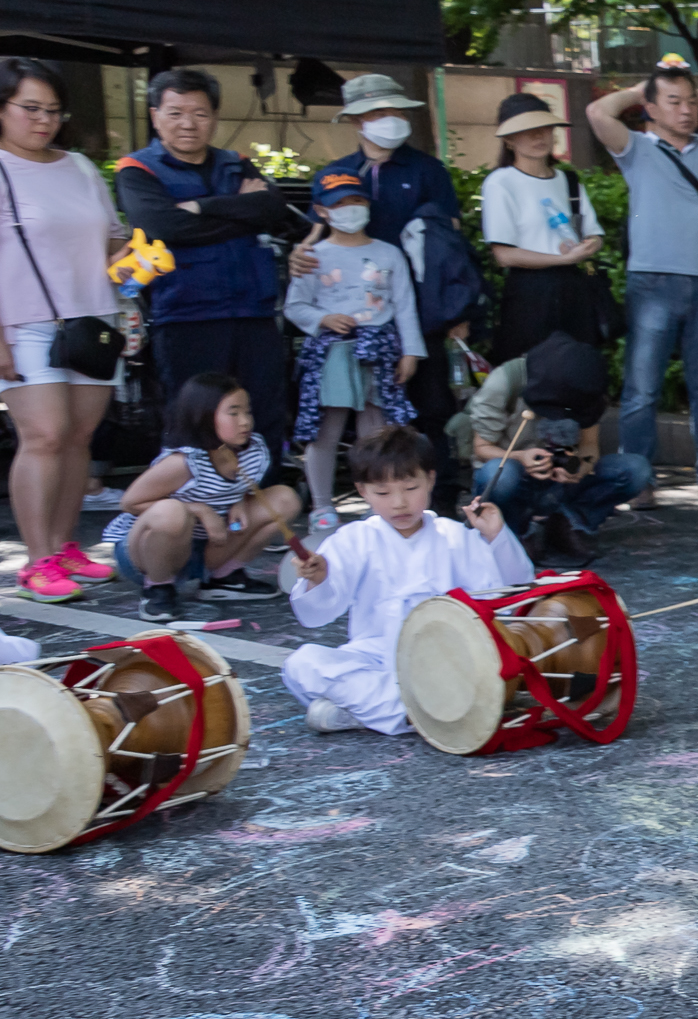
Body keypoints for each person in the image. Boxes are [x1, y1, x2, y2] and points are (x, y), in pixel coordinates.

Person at [282, 426, 534, 734]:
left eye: (410, 488)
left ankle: (375, 712)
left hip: (446, 659)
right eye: (383, 493)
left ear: (430, 479)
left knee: (484, 669)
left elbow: (506, 597)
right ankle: (415, 712)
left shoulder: (453, 536)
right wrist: (318, 579)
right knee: (301, 664)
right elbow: (318, 613)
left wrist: (494, 535)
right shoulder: (354, 539)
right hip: (375, 655)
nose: (399, 503)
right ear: (362, 490)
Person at [586, 59, 698, 507]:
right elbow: (597, 114)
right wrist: (640, 88)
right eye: (673, 102)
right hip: (651, 281)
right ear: (651, 108)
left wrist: (696, 92)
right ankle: (638, 478)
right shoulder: (636, 148)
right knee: (642, 389)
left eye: (690, 102)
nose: (685, 110)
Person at [113, 67, 304, 452]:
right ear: (155, 117)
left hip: (254, 312)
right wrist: (240, 211)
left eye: (200, 113)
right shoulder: (136, 169)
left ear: (214, 117)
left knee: (262, 415)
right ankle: (197, 507)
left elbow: (271, 208)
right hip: (186, 314)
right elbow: (163, 225)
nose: (188, 124)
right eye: (175, 113)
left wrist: (201, 207)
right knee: (194, 420)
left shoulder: (234, 161)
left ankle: (260, 504)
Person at [0, 57, 127, 602]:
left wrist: (137, 262)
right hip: (23, 321)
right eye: (29, 108)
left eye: (53, 110)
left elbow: (111, 240)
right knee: (45, 435)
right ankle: (36, 560)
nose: (43, 120)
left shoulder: (78, 167)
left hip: (93, 318)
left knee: (78, 438)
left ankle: (64, 546)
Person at [283, 166, 423, 534]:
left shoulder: (389, 253)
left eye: (357, 200)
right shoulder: (312, 255)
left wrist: (411, 352)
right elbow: (295, 306)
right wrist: (324, 318)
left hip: (379, 350)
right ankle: (322, 506)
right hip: (332, 351)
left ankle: (377, 505)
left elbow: (405, 305)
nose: (350, 208)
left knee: (375, 431)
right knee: (323, 432)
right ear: (322, 210)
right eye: (339, 203)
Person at [102, 372, 302, 621]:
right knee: (171, 512)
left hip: (204, 546)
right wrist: (199, 510)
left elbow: (237, 488)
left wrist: (239, 500)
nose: (245, 422)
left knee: (284, 498)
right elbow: (130, 502)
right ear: (204, 416)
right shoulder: (183, 461)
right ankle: (158, 586)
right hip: (147, 552)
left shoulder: (253, 449)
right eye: (233, 412)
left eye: (247, 411)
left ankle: (225, 577)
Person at [466, 331, 651, 565]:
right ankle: (515, 534)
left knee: (636, 470)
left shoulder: (585, 386)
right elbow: (481, 447)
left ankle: (568, 523)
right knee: (499, 473)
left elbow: (589, 447)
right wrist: (520, 457)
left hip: (557, 482)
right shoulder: (506, 381)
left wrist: (580, 467)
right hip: (514, 479)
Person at [479, 93, 610, 365]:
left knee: (576, 367)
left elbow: (593, 233)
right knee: (530, 371)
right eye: (527, 131)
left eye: (545, 129)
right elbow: (504, 254)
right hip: (530, 291)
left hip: (574, 287)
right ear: (509, 139)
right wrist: (561, 259)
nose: (539, 137)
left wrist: (588, 246)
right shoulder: (500, 182)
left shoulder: (569, 179)